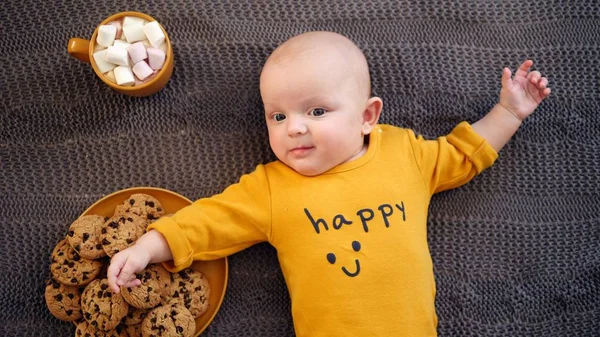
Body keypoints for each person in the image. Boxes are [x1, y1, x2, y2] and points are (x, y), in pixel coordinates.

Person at [107, 31, 551, 336]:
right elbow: (207, 222)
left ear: (367, 117)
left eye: (316, 111)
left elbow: (464, 152)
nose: (294, 128)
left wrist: (508, 113)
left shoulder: (404, 154)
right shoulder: (271, 188)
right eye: (278, 116)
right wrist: (147, 247)